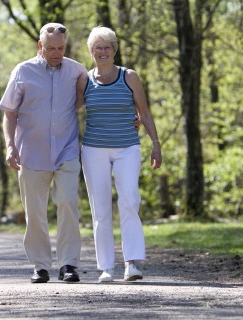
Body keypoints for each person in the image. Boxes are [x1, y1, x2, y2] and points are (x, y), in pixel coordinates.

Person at [0, 23, 87, 283]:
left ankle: (69, 264)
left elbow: (98, 96)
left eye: (61, 48)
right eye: (51, 48)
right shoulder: (23, 71)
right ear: (40, 46)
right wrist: (10, 145)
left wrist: (133, 117)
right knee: (34, 211)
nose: (56, 53)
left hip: (66, 150)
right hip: (31, 153)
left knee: (68, 202)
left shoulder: (77, 70)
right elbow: (10, 112)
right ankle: (40, 266)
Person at [77, 26, 162, 282]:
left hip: (127, 148)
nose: (102, 52)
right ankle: (106, 268)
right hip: (93, 150)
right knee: (100, 209)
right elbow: (69, 110)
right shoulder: (85, 80)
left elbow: (144, 113)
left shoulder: (130, 77)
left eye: (107, 47)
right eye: (97, 48)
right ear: (91, 52)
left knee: (129, 201)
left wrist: (156, 143)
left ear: (115, 50)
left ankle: (132, 263)